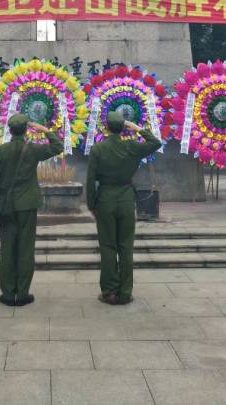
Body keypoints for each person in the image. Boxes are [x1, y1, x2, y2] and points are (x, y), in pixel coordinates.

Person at [0, 113, 63, 307]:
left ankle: (8, 293)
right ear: (26, 130)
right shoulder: (33, 150)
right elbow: (57, 147)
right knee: (26, 248)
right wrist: (45, 130)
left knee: (7, 247)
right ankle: (23, 291)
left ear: (10, 130)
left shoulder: (0, 151)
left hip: (6, 206)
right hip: (27, 204)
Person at [86, 111, 161, 306]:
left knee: (108, 246)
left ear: (106, 127)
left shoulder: (98, 149)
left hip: (105, 199)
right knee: (126, 247)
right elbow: (156, 143)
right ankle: (125, 292)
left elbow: (90, 179)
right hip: (126, 198)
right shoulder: (132, 147)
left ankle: (109, 291)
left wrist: (91, 204)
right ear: (123, 128)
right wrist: (137, 128)